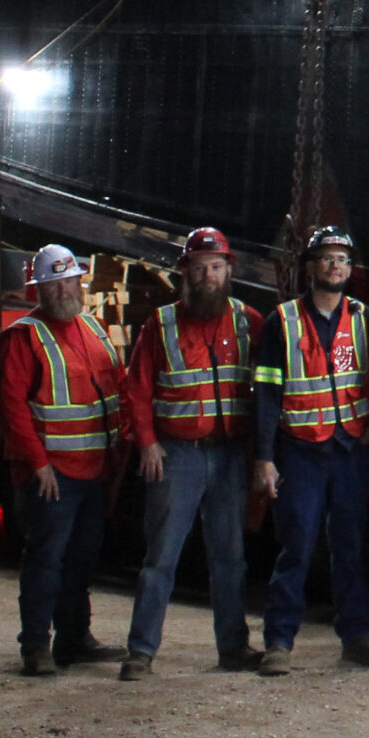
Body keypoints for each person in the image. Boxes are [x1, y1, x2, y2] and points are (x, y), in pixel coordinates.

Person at [251, 226, 369, 674]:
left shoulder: (366, 320)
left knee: (351, 547)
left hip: (351, 450)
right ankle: (279, 642)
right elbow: (267, 394)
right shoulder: (282, 321)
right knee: (296, 546)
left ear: (350, 270)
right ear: (310, 266)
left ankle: (356, 636)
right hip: (301, 452)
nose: (335, 266)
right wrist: (264, 457)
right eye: (328, 258)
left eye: (343, 259)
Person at [120, 227, 260, 678]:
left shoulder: (248, 321)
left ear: (228, 270)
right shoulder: (161, 324)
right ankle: (141, 652)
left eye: (216, 267)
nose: (208, 276)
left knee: (230, 557)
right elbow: (136, 388)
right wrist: (146, 442)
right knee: (161, 558)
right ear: (185, 272)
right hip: (176, 456)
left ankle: (233, 648)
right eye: (200, 268)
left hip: (230, 455)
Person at [0, 243, 127, 676]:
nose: (64, 290)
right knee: (46, 560)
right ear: (39, 289)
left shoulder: (93, 327)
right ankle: (36, 647)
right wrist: (38, 465)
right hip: (52, 475)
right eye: (54, 284)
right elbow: (11, 407)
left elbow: (116, 386)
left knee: (81, 559)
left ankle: (74, 639)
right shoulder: (23, 336)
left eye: (69, 281)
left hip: (94, 470)